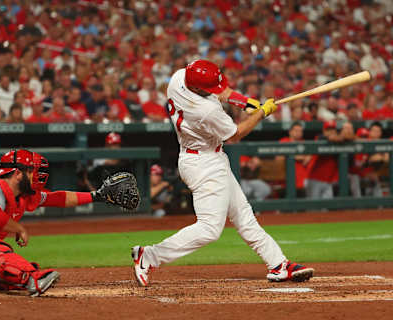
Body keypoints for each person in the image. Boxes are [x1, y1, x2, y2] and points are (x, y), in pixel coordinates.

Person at [131, 59, 314, 287]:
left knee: (244, 217)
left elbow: (223, 91)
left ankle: (278, 265)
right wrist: (261, 113)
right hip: (204, 163)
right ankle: (149, 256)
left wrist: (244, 102)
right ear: (197, 88)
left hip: (205, 158)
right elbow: (235, 135)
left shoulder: (179, 77)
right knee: (209, 229)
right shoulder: (204, 110)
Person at [0, 149, 135, 296]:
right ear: (17, 173)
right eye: (31, 171)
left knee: (10, 275)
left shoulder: (23, 196)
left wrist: (96, 196)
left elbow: (58, 198)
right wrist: (18, 228)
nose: (37, 175)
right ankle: (34, 279)